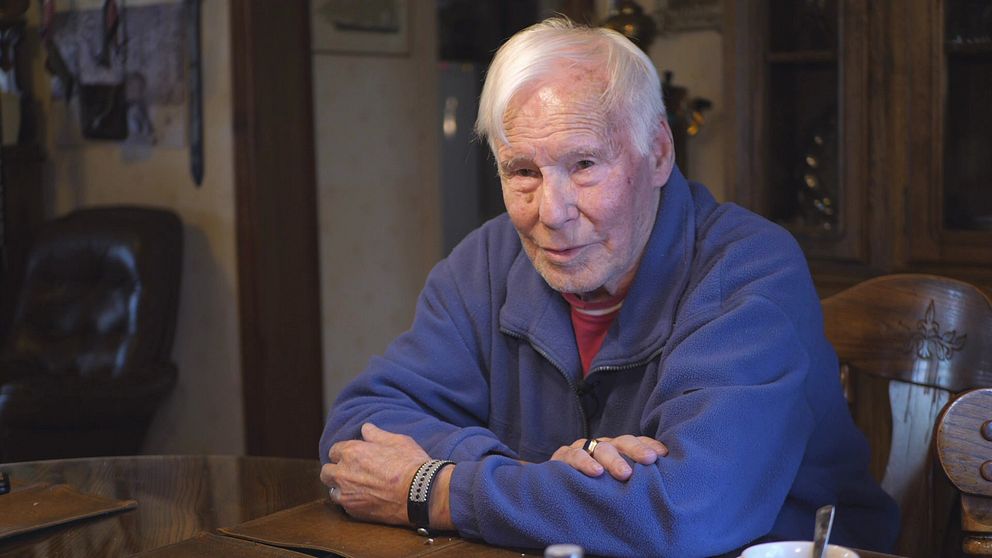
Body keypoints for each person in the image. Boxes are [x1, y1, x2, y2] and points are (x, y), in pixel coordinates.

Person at [319, 17, 898, 557]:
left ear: (659, 153)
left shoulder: (749, 267)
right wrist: (538, 478)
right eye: (523, 171)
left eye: (585, 164)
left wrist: (440, 488)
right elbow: (357, 433)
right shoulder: (486, 262)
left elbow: (684, 511)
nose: (552, 212)